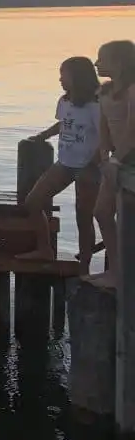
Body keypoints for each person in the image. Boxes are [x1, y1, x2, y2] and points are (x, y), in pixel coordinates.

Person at [16, 57, 101, 271]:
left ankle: (84, 266)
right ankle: (45, 249)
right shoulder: (64, 101)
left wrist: (93, 164)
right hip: (65, 163)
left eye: (64, 74)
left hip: (88, 167)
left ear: (78, 76)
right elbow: (63, 123)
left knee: (83, 216)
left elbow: (105, 138)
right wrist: (43, 135)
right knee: (33, 201)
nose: (60, 79)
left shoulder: (95, 105)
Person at [87, 40, 135, 289]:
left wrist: (116, 161)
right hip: (114, 161)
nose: (96, 63)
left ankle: (124, 273)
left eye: (101, 59)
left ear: (119, 62)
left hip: (129, 161)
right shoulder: (104, 92)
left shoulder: (132, 90)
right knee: (102, 212)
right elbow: (105, 128)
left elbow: (132, 131)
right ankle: (116, 271)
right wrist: (105, 156)